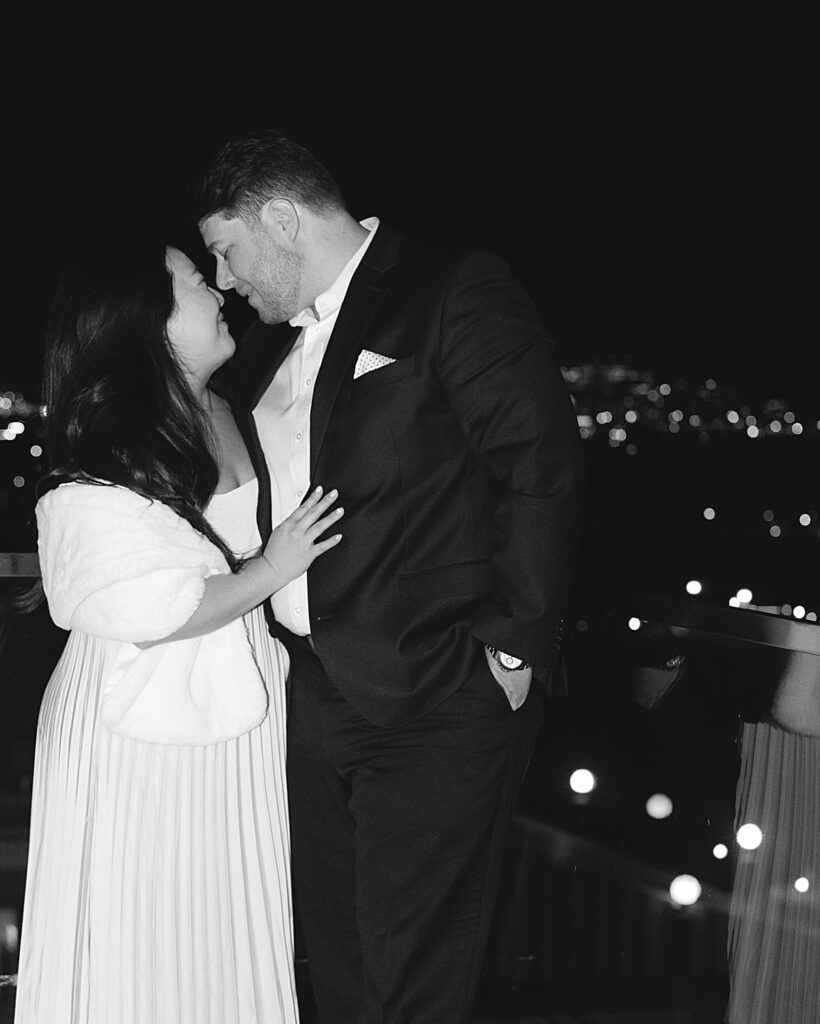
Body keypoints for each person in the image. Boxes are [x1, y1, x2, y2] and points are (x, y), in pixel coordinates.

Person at [190, 129, 587, 1024]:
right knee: (339, 964)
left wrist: (512, 651)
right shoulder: (266, 346)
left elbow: (540, 465)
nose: (226, 279)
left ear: (282, 218)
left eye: (228, 249)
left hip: (435, 691)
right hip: (305, 697)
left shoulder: (451, 288)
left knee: (412, 973)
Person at [14, 239, 344, 1024]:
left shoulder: (230, 404)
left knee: (224, 931)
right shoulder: (112, 437)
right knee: (142, 930)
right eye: (197, 281)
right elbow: (145, 607)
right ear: (146, 319)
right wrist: (273, 566)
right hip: (140, 731)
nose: (218, 289)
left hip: (234, 722)